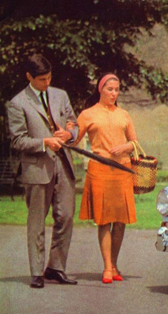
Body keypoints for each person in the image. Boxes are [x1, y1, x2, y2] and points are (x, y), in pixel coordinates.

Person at [6, 54, 78, 288]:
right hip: (37, 169)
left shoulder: (61, 95)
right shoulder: (17, 103)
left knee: (66, 217)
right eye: (42, 79)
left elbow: (74, 124)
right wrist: (45, 142)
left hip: (63, 166)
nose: (47, 83)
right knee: (37, 222)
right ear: (29, 77)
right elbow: (17, 141)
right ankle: (37, 272)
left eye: (49, 77)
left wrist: (69, 134)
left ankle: (56, 267)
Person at [74, 73, 138, 284]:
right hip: (99, 171)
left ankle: (114, 264)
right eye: (110, 89)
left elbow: (135, 143)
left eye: (117, 90)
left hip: (122, 171)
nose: (114, 93)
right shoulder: (87, 114)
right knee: (103, 220)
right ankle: (107, 267)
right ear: (100, 89)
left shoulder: (124, 114)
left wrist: (125, 147)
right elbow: (73, 140)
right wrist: (66, 132)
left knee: (120, 222)